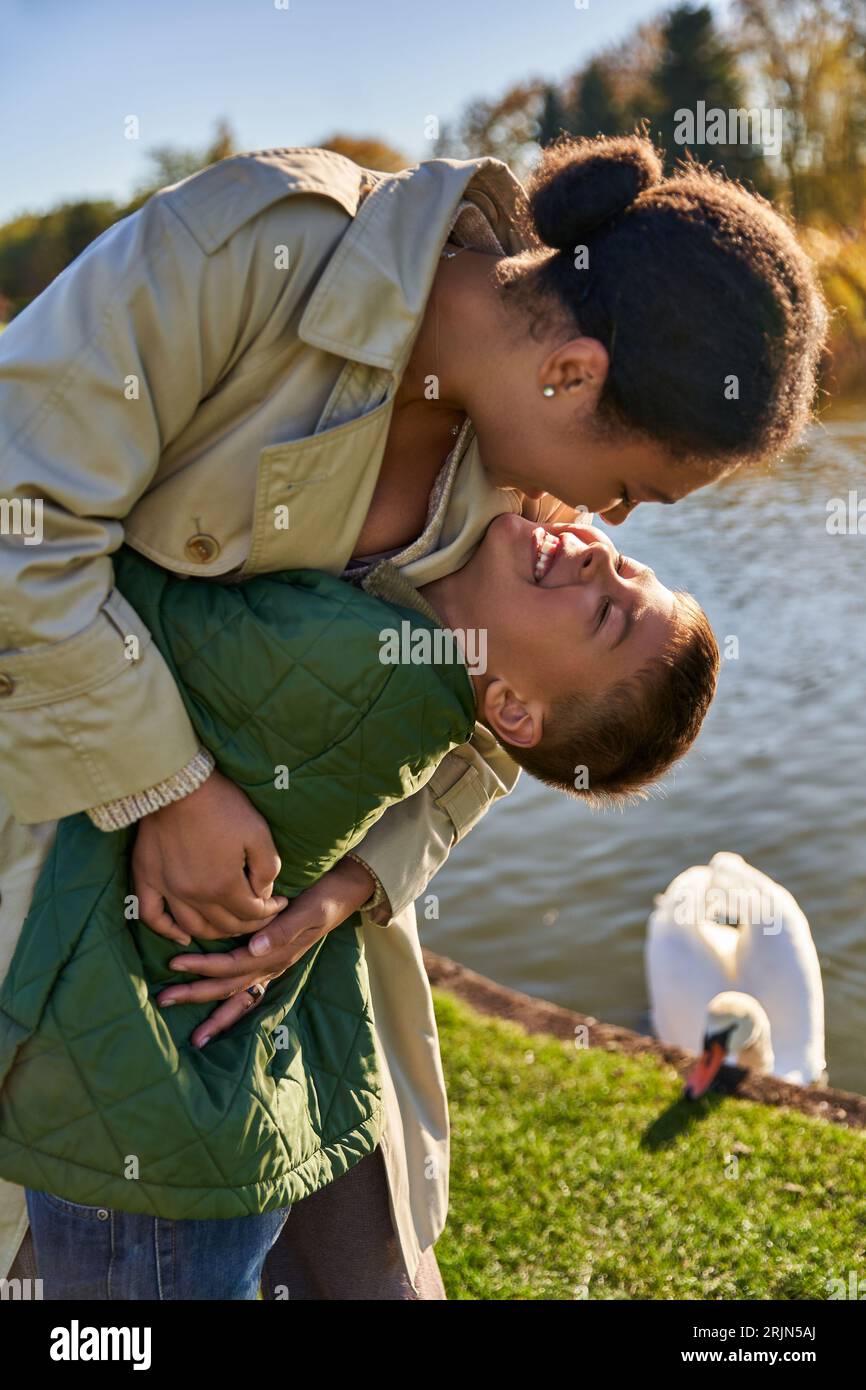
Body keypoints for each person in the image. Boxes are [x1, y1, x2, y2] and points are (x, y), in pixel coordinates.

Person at [0, 132, 826, 1294]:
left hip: (287, 947)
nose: (611, 524)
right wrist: (166, 783)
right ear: (572, 374)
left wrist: (348, 887)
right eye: (634, 487)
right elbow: (15, 511)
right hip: (49, 867)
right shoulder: (253, 249)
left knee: (361, 1263)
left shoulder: (520, 475)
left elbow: (497, 727)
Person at [1, 518, 719, 1299]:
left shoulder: (453, 615)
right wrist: (173, 783)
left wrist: (347, 886)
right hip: (155, 1029)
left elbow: (484, 742)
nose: (597, 536)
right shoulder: (518, 569)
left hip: (201, 1032)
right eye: (620, 541)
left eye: (612, 601)